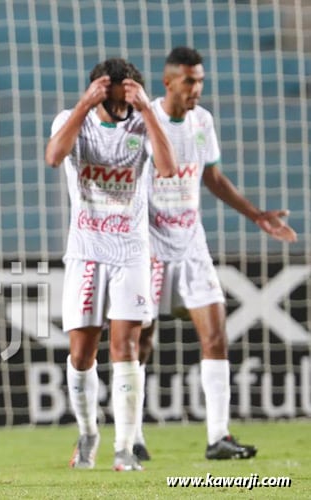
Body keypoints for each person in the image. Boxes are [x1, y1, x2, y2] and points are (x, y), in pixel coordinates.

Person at [132, 46, 297, 462]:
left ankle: (219, 437)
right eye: (190, 81)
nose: (197, 88)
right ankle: (131, 435)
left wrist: (257, 215)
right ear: (169, 82)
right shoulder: (143, 122)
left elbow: (214, 178)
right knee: (142, 339)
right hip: (150, 246)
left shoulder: (203, 121)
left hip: (192, 246)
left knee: (216, 334)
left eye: (201, 80)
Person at [45, 58, 177, 471]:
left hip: (131, 253)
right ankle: (88, 434)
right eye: (116, 101)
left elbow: (169, 168)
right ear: (100, 93)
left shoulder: (142, 123)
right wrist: (85, 105)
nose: (123, 110)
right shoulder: (72, 119)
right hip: (86, 251)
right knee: (82, 355)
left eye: (128, 101)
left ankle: (124, 448)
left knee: (127, 348)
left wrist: (149, 110)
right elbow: (53, 157)